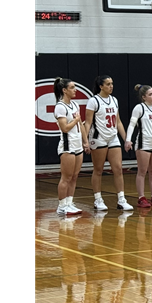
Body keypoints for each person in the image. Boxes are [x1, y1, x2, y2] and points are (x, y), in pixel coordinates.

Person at [84, 75, 133, 211]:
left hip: (113, 137)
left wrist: (126, 139)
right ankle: (98, 199)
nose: (111, 86)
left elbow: (118, 122)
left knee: (118, 169)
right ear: (101, 86)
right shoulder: (93, 101)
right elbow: (87, 123)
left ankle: (121, 199)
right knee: (98, 170)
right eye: (108, 84)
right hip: (98, 137)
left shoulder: (114, 100)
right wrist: (85, 141)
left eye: (112, 83)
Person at [125, 84, 152, 208]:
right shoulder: (139, 108)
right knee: (142, 171)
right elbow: (132, 125)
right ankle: (141, 197)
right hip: (143, 144)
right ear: (144, 97)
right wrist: (128, 140)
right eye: (150, 94)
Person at [54, 78, 90, 215]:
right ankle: (62, 206)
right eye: (72, 87)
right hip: (67, 146)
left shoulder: (75, 104)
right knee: (66, 177)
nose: (75, 90)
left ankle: (69, 203)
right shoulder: (60, 107)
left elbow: (81, 125)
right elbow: (64, 128)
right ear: (64, 90)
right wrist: (75, 120)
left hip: (77, 145)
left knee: (74, 176)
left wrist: (85, 141)